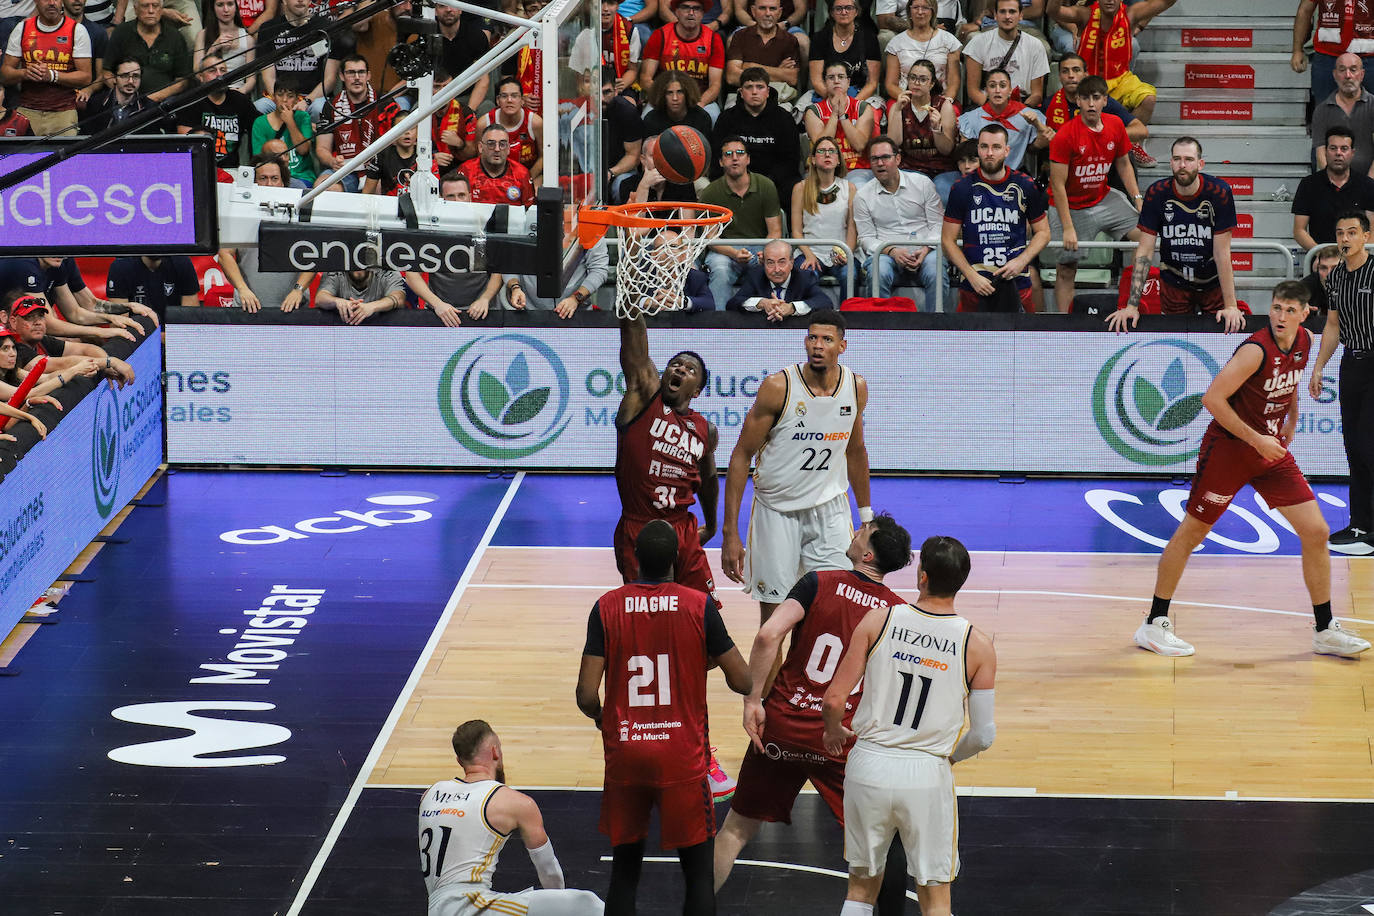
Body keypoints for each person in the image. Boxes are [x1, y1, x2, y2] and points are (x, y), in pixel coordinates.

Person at [1130, 280, 1372, 659]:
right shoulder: (1255, 350)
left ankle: (1324, 628)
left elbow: (1290, 384)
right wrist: (1257, 439)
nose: (1281, 316)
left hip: (1270, 451)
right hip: (1230, 449)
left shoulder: (1306, 341)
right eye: (1277, 307)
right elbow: (1213, 398)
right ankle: (1153, 623)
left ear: (1305, 313)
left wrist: (1291, 420)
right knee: (1192, 532)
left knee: (1316, 530)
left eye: (1290, 310)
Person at [714, 515, 913, 913]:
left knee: (735, 830)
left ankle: (693, 908)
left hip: (781, 725)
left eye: (862, 533)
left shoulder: (818, 582)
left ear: (868, 552)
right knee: (879, 842)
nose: (855, 532)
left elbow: (769, 634)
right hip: (837, 736)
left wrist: (753, 700)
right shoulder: (897, 612)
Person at [575, 520, 752, 916]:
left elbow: (586, 694)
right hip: (682, 758)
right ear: (676, 558)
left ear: (635, 557)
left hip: (626, 755)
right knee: (698, 878)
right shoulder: (697, 605)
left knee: (624, 874)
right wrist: (693, 662)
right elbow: (743, 680)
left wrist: (604, 718)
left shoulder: (606, 606)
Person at [821, 535, 997, 916]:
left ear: (922, 576)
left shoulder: (879, 619)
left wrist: (833, 729)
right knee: (935, 902)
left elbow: (834, 700)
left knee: (860, 890)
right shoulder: (978, 645)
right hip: (926, 772)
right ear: (961, 581)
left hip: (869, 763)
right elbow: (984, 735)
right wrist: (950, 759)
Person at [722, 309, 872, 622]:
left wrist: (866, 517)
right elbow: (740, 455)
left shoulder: (855, 387)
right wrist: (730, 532)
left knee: (834, 610)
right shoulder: (778, 387)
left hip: (829, 509)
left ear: (842, 346)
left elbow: (855, 452)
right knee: (774, 618)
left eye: (827, 339)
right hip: (777, 512)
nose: (818, 345)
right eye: (813, 337)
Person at [419, 719, 605, 916]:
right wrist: (559, 904)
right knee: (587, 904)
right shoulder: (513, 802)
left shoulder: (429, 794)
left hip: (437, 906)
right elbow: (550, 873)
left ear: (459, 761)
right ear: (495, 752)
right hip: (469, 906)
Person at [1108, 137, 1243, 333]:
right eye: (1177, 159)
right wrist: (1132, 306)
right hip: (1174, 283)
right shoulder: (1157, 193)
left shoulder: (1219, 192)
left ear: (1200, 163)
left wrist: (1231, 306)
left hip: (1211, 283)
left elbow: (1222, 253)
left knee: (1217, 341)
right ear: (1170, 162)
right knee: (1174, 341)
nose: (1182, 165)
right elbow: (1145, 251)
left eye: (1189, 159)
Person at [1045, 74, 1141, 313]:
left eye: (1096, 98)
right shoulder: (1065, 135)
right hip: (1070, 207)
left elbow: (1124, 164)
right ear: (1077, 101)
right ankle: (1067, 326)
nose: (1090, 103)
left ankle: (1134, 305)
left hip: (1104, 198)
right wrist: (1068, 227)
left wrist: (1137, 199)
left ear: (1105, 101)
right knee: (1067, 268)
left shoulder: (1116, 125)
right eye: (1085, 98)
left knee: (1146, 237)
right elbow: (1057, 186)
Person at [1047, 0, 1178, 166]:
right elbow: (1053, 11)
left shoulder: (1131, 14)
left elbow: (1166, 3)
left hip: (1121, 78)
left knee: (1148, 98)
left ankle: (1129, 146)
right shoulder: (1085, 14)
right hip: (1089, 82)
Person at [1311, 213, 1374, 556]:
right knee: (1353, 446)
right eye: (1340, 233)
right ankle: (1360, 523)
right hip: (1352, 361)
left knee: (1369, 443)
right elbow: (1333, 325)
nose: (1345, 238)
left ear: (1366, 235)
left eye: (1352, 232)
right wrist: (1319, 367)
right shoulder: (1335, 275)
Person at [942, 123, 1049, 313]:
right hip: (974, 284)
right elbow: (947, 240)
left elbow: (1043, 233)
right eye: (984, 147)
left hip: (1016, 282)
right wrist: (971, 275)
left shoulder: (1025, 184)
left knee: (1021, 341)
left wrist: (1021, 261)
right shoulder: (961, 188)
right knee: (971, 342)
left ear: (1007, 151)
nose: (989, 153)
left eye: (996, 147)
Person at [853, 136, 946, 307]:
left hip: (927, 249)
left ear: (898, 158)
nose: (880, 163)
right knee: (878, 271)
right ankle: (880, 328)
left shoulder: (923, 184)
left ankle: (937, 328)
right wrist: (892, 251)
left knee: (935, 270)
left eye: (885, 157)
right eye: (875, 159)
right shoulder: (862, 196)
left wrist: (925, 249)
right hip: (886, 253)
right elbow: (866, 238)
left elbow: (938, 225)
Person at [217, 155, 317, 312]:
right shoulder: (239, 213)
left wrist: (298, 289)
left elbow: (314, 255)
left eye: (274, 178)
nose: (269, 184)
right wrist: (242, 289)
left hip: (294, 308)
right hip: (248, 307)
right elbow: (224, 255)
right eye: (263, 178)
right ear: (253, 181)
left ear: (283, 183)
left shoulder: (299, 212)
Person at [699, 136, 784, 308]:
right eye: (728, 154)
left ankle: (769, 316)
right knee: (720, 269)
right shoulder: (710, 193)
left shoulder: (766, 186)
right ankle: (718, 322)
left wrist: (766, 252)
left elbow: (775, 231)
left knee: (770, 265)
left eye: (739, 153)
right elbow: (711, 238)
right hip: (724, 249)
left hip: (760, 246)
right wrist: (733, 253)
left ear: (748, 159)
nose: (735, 158)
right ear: (721, 162)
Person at [404, 173, 498, 326]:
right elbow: (411, 275)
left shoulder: (486, 225)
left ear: (470, 196)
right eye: (451, 196)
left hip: (482, 313)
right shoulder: (431, 230)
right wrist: (438, 305)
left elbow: (498, 271)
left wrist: (485, 299)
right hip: (440, 314)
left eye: (461, 195)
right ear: (442, 198)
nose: (457, 201)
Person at [0, 0, 91, 137]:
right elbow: (5, 75)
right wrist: (24, 73)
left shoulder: (77, 30)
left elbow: (86, 77)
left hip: (63, 113)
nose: (51, 3)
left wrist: (53, 76)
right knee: (23, 158)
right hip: (27, 110)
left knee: (64, 158)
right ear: (35, 1)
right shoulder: (22, 28)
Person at [712, 67, 801, 203]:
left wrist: (765, 183)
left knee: (793, 186)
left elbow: (791, 161)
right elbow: (717, 157)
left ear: (768, 91)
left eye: (760, 87)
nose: (754, 92)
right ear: (741, 92)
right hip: (734, 179)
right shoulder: (727, 119)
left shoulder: (784, 119)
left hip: (775, 182)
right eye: (749, 87)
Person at [7, 294, 136, 386]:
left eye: (40, 316)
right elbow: (61, 364)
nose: (37, 322)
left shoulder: (41, 340)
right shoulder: (15, 347)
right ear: (13, 322)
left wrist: (107, 370)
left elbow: (85, 349)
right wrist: (109, 362)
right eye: (29, 317)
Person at [886, 59, 958, 202]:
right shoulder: (899, 106)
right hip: (910, 168)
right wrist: (897, 111)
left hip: (941, 169)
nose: (917, 83)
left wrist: (937, 129)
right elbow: (894, 143)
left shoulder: (943, 106)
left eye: (923, 79)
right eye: (913, 78)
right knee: (907, 199)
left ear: (932, 84)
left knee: (943, 196)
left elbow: (947, 150)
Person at [640, 0, 726, 120]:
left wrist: (700, 104)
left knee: (713, 117)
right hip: (666, 98)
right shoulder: (660, 35)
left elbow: (715, 84)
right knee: (646, 116)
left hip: (700, 99)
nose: (691, 13)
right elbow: (645, 79)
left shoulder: (713, 39)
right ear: (677, 11)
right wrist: (664, 98)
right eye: (685, 7)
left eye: (696, 8)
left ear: (703, 13)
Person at [791, 136, 858, 290]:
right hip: (810, 251)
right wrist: (808, 254)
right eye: (821, 151)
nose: (827, 155)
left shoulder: (850, 188)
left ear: (839, 160)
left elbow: (852, 229)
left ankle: (848, 314)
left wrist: (847, 253)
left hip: (840, 252)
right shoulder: (800, 188)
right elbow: (796, 231)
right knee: (804, 275)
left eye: (831, 151)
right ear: (813, 160)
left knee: (850, 275)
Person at [1038, 52, 1147, 146]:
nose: (1070, 75)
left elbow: (1140, 130)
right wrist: (1039, 144)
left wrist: (1101, 134)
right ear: (1059, 76)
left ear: (1086, 75)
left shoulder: (1100, 101)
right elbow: (1033, 147)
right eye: (1065, 71)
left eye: (1076, 70)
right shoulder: (1049, 104)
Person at [1293, 126, 1374, 251]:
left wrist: (1356, 256)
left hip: (1356, 262)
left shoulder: (1368, 185)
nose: (1338, 153)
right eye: (1333, 148)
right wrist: (1323, 254)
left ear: (1352, 153)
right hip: (1321, 263)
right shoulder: (1308, 185)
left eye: (1344, 148)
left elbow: (1373, 229)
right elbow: (1299, 230)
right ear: (1325, 151)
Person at [956, 68, 1051, 174]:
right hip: (981, 174)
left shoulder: (1028, 115)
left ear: (1010, 90)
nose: (997, 90)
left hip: (1015, 174)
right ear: (986, 90)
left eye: (1002, 85)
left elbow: (1043, 143)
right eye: (992, 86)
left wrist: (1037, 124)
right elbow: (965, 154)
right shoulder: (971, 118)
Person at [255, 0, 338, 119]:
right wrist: (281, 100)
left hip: (313, 98)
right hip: (279, 97)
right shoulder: (268, 29)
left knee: (319, 109)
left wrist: (307, 101)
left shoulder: (325, 27)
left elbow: (330, 79)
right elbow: (268, 77)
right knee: (260, 107)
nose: (300, 0)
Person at [176, 49, 258, 167]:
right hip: (199, 167)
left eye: (223, 70)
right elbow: (187, 143)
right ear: (201, 77)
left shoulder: (240, 100)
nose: (219, 75)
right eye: (212, 71)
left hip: (232, 171)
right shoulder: (191, 101)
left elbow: (260, 125)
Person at [962, 0, 1049, 108]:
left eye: (1012, 12)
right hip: (987, 104)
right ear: (995, 15)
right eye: (1002, 12)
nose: (1007, 16)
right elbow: (973, 91)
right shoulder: (978, 43)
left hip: (1022, 106)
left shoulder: (1035, 45)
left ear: (1021, 15)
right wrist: (994, 109)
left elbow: (1037, 94)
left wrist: (1017, 111)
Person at [1294, 0, 1374, 113]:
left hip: (1369, 59)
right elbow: (1305, 10)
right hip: (1328, 58)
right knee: (1325, 112)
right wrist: (1297, 50)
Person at [102, 0, 191, 102]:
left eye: (155, 6)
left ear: (161, 10)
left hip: (165, 102)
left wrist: (154, 98)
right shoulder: (121, 32)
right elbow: (107, 73)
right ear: (136, 9)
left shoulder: (175, 36)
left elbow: (182, 81)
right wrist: (124, 96)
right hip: (126, 100)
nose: (151, 11)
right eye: (145, 6)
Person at [805, 61, 877, 186]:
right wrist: (834, 114)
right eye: (831, 77)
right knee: (805, 188)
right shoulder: (813, 111)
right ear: (825, 83)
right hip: (824, 168)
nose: (836, 81)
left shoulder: (863, 108)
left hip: (857, 169)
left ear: (848, 82)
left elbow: (859, 144)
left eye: (841, 77)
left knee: (858, 187)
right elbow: (821, 145)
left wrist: (843, 115)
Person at [502, 239, 609, 319]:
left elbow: (599, 270)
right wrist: (515, 287)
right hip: (530, 313)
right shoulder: (524, 221)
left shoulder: (589, 225)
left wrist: (576, 298)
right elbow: (509, 262)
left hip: (576, 313)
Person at [881, 0, 961, 104]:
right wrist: (911, 102)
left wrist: (945, 102)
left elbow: (953, 83)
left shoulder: (949, 41)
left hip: (940, 98)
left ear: (933, 11)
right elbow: (891, 84)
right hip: (905, 98)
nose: (920, 12)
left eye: (925, 8)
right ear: (909, 11)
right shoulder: (896, 43)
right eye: (915, 7)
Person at [726, 239, 832, 315]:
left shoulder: (804, 277)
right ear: (764, 264)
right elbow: (732, 304)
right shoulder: (756, 275)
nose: (777, 269)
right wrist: (761, 303)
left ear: (791, 262)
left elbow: (825, 303)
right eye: (770, 263)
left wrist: (792, 308)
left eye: (782, 262)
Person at [1311, 53, 1374, 177]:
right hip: (1334, 184)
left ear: (1362, 75)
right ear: (1335, 75)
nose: (1348, 76)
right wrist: (1335, 185)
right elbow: (1321, 154)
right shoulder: (1322, 110)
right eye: (1342, 70)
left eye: (1353, 70)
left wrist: (1368, 186)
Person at [807, 0, 879, 105]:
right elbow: (816, 81)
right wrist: (834, 100)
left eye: (848, 8)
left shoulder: (869, 38)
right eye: (838, 8)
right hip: (827, 94)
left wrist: (852, 103)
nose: (844, 12)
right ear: (831, 13)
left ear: (856, 12)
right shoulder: (819, 38)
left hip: (861, 95)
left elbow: (872, 83)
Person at [724, 0, 800, 100]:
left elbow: (792, 79)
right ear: (753, 11)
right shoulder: (740, 36)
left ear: (780, 12)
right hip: (742, 97)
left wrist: (751, 66)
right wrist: (779, 72)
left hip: (777, 98)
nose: (767, 13)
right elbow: (732, 77)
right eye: (762, 8)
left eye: (772, 9)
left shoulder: (790, 40)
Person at [476, 76, 544, 183]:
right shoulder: (484, 123)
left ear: (522, 100)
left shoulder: (535, 122)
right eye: (504, 96)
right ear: (498, 100)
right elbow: (481, 159)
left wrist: (526, 180)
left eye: (514, 96)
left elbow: (543, 157)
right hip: (494, 178)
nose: (509, 100)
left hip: (528, 176)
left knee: (537, 189)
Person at [251, 82, 315, 186]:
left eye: (290, 96)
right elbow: (259, 159)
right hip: (271, 177)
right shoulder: (260, 122)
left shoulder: (303, 117)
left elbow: (303, 150)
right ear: (273, 97)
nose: (284, 100)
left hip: (301, 176)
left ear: (296, 99)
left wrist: (290, 122)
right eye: (280, 95)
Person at [458, 124, 536, 206]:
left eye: (502, 144)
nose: (497, 149)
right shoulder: (466, 170)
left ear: (508, 149)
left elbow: (529, 211)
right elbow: (457, 207)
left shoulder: (522, 174)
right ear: (480, 147)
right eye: (491, 144)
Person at [105, 254, 199, 320]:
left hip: (174, 338)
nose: (155, 245)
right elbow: (119, 323)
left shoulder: (181, 261)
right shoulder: (121, 266)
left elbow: (190, 319)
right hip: (137, 338)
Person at [192, 0, 253, 94]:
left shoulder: (247, 39)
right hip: (210, 92)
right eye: (220, 5)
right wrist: (214, 48)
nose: (226, 9)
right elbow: (197, 73)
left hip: (237, 91)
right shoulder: (203, 35)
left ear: (236, 7)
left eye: (230, 4)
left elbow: (251, 79)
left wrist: (240, 93)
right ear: (213, 8)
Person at [78, 54, 151, 131]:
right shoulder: (95, 104)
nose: (130, 81)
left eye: (135, 76)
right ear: (114, 78)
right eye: (125, 76)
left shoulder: (149, 107)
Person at [315, 267, 406, 325]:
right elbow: (320, 298)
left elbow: (399, 298)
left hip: (382, 332)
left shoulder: (386, 271)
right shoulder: (336, 271)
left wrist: (373, 306)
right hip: (342, 334)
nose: (358, 268)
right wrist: (337, 301)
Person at [641, 67, 713, 141]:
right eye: (669, 93)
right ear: (662, 95)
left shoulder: (702, 118)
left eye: (680, 92)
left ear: (688, 93)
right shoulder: (651, 119)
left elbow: (706, 150)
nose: (675, 98)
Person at [1302, 244, 1341, 318]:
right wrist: (1298, 303)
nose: (1329, 273)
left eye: (1335, 268)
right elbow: (1291, 293)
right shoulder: (1312, 281)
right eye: (1323, 268)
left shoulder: (1358, 284)